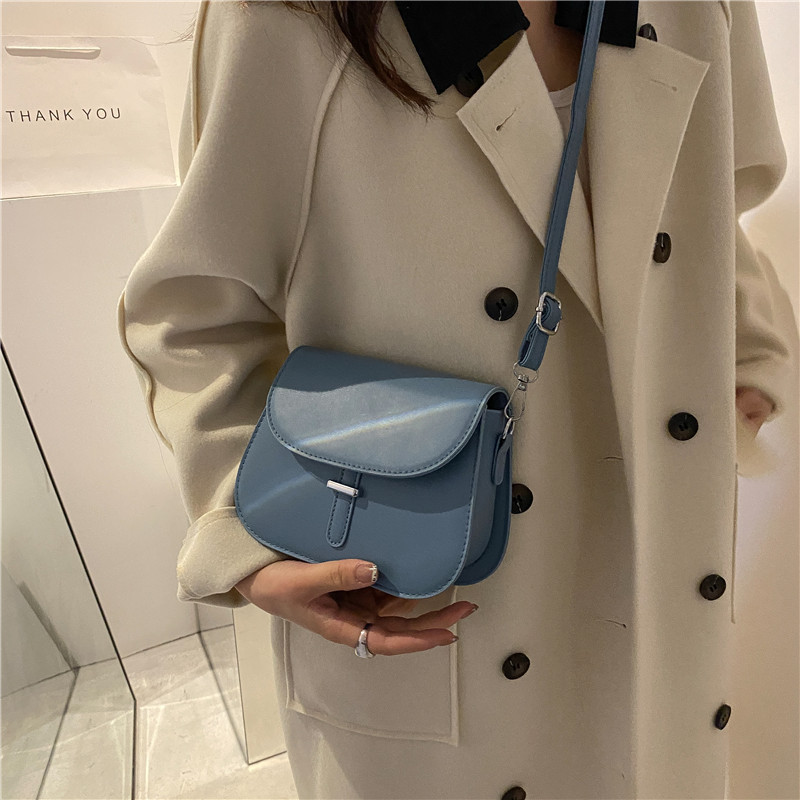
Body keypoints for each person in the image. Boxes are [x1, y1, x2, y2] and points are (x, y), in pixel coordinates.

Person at [116, 1, 795, 798]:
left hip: (651, 558)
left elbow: (711, 194)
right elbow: (193, 314)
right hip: (425, 593)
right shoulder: (286, 19)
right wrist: (246, 530)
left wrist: (747, 348)